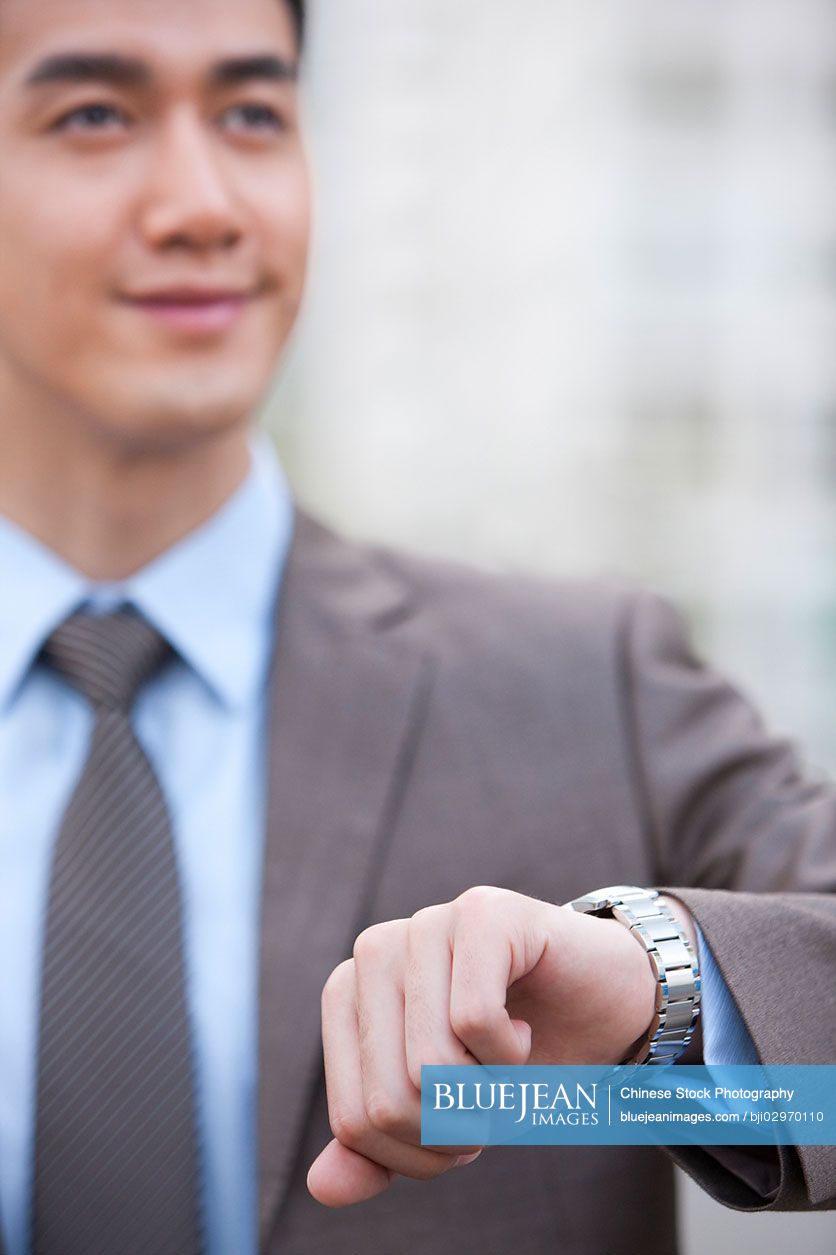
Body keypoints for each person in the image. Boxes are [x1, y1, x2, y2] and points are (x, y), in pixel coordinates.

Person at [0, 1, 832, 1253]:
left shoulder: (586, 684)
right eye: (95, 114)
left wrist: (662, 994)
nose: (206, 204)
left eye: (252, 112)